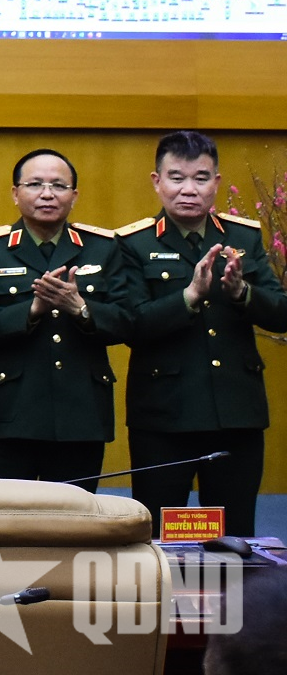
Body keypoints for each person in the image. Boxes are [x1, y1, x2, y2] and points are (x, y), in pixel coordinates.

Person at [119, 131, 287, 537]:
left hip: (235, 413)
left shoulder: (242, 237)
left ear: (216, 182)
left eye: (201, 178)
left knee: (234, 538)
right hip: (163, 415)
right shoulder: (132, 243)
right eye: (176, 178)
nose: (189, 189)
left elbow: (281, 312)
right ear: (157, 181)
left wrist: (242, 292)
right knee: (157, 538)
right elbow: (129, 324)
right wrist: (189, 296)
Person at [0, 149, 138, 489]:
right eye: (35, 184)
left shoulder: (103, 247)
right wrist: (32, 310)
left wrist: (80, 308)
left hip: (81, 414)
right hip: (10, 415)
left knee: (74, 517)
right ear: (15, 193)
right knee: (6, 517)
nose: (47, 194)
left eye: (59, 185)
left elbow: (126, 319)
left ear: (74, 195)